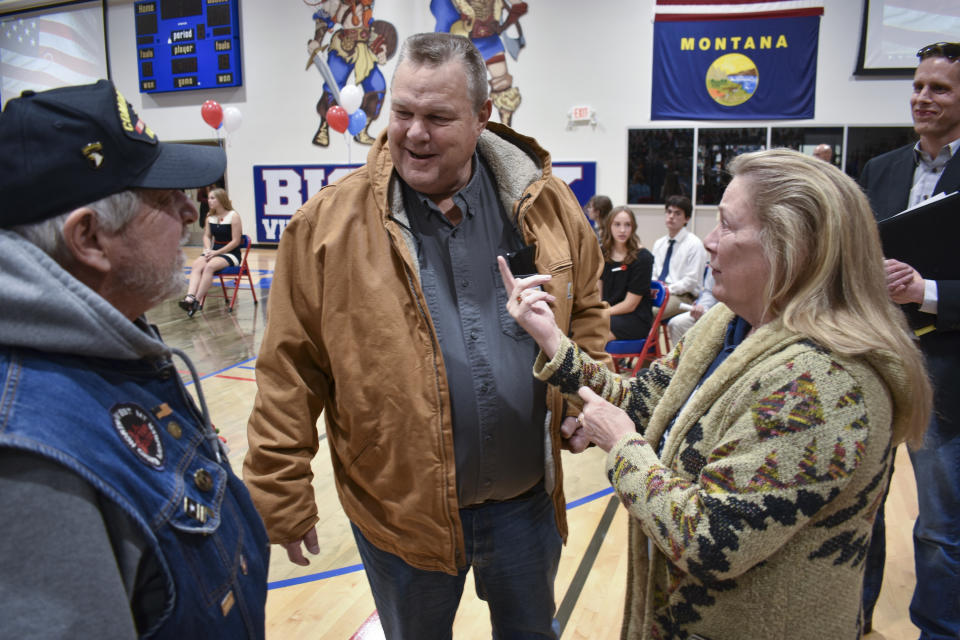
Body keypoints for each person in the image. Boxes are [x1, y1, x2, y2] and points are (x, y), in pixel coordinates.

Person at [243, 32, 609, 639]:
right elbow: (288, 367)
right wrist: (278, 486)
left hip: (525, 505)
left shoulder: (545, 204)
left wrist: (583, 391)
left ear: (482, 117)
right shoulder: (326, 227)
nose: (414, 133)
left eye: (438, 117)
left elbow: (587, 304)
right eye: (403, 112)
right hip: (400, 514)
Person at [499, 148, 931, 639]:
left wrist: (623, 448)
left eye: (726, 225)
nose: (709, 241)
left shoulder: (826, 384)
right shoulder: (728, 323)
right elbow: (644, 402)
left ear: (791, 248)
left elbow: (712, 539)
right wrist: (551, 338)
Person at [0, 80, 268, 637]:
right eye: (162, 199)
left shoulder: (112, 348)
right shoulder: (27, 460)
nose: (190, 212)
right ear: (90, 238)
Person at [858, 41, 960, 639]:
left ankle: (940, 631)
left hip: (946, 367)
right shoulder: (881, 170)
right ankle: (851, 617)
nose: (923, 97)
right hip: (875, 357)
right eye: (919, 86)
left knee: (941, 526)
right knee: (860, 507)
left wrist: (926, 291)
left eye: (939, 88)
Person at [179, 187, 243, 316]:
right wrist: (208, 249)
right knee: (197, 264)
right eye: (208, 198)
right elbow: (207, 236)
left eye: (212, 198)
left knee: (209, 266)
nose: (209, 201)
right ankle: (189, 297)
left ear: (221, 199)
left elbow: (236, 241)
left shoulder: (233, 216)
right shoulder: (209, 216)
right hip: (214, 251)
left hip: (230, 253)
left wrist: (217, 252)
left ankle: (197, 300)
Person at [601, 205, 654, 341]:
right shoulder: (602, 253)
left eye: (627, 225)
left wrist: (601, 313)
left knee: (593, 335)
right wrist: (595, 311)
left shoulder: (643, 258)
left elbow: (630, 305)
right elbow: (597, 292)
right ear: (609, 226)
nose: (622, 230)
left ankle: (591, 361)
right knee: (577, 324)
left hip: (634, 318)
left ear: (633, 228)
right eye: (617, 224)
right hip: (609, 314)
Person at [651, 194, 707, 320]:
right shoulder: (659, 243)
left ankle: (648, 340)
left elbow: (690, 282)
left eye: (677, 214)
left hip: (683, 296)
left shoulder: (694, 244)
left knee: (650, 313)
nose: (671, 217)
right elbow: (653, 272)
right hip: (659, 292)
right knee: (635, 308)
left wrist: (666, 290)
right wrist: (655, 288)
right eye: (669, 212)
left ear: (686, 219)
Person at [666, 265, 716, 345]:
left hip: (734, 312)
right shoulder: (717, 258)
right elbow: (709, 291)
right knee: (676, 324)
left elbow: (690, 281)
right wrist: (702, 306)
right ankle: (682, 357)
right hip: (712, 310)